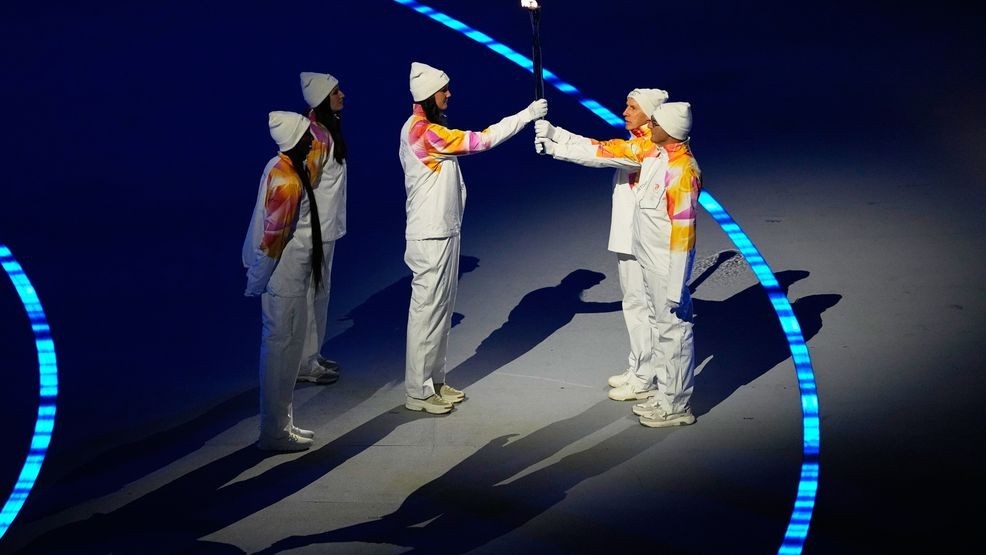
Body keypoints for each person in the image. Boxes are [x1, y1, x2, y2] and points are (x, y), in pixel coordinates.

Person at [537, 101, 701, 427]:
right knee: (659, 329)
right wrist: (555, 141)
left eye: (655, 122)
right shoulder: (654, 154)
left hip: (666, 266)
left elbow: (684, 234)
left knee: (674, 334)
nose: (648, 126)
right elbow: (601, 150)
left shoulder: (682, 173)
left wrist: (675, 283)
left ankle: (677, 406)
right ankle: (664, 395)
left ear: (670, 130)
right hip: (648, 260)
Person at [400, 61, 548, 414]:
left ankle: (434, 381)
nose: (449, 94)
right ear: (428, 95)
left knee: (441, 311)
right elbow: (482, 140)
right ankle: (417, 391)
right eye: (444, 90)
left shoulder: (430, 127)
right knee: (426, 313)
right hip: (430, 236)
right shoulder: (423, 133)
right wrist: (526, 115)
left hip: (445, 231)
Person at [533, 88, 668, 400]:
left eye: (632, 107)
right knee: (633, 304)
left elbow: (601, 154)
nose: (624, 112)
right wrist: (556, 133)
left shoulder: (650, 145)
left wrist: (556, 147)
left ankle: (646, 377)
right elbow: (601, 145)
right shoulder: (637, 141)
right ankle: (638, 367)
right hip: (628, 235)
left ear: (649, 113)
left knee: (643, 307)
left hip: (644, 238)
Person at [243, 111, 329, 451]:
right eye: (307, 135)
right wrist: (256, 281)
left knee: (287, 353)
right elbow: (272, 239)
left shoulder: (283, 166)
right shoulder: (289, 182)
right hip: (284, 281)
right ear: (295, 141)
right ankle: (274, 432)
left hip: (288, 279)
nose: (313, 141)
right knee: (282, 353)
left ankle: (282, 424)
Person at [295, 71, 348, 385]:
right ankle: (304, 362)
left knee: (320, 293)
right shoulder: (316, 136)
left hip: (327, 227)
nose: (342, 96)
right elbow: (307, 183)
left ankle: (311, 354)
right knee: (312, 293)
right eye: (336, 92)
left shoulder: (326, 129)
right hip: (316, 230)